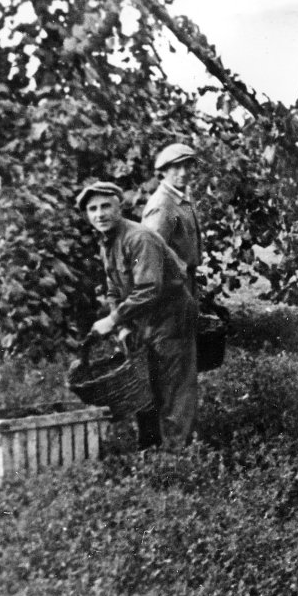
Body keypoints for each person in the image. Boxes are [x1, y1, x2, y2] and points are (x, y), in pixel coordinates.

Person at [77, 181, 199, 450]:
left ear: (119, 207)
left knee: (174, 386)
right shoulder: (107, 242)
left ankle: (178, 453)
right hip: (143, 318)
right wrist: (121, 325)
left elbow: (149, 288)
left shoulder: (139, 238)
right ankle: (151, 448)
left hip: (170, 316)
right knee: (145, 383)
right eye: (93, 209)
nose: (100, 214)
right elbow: (113, 289)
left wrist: (113, 320)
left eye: (106, 206)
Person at [142, 142, 202, 296]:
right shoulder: (161, 205)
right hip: (171, 285)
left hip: (186, 279)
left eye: (187, 167)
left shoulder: (184, 195)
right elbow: (151, 255)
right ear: (164, 171)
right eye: (176, 167)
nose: (183, 173)